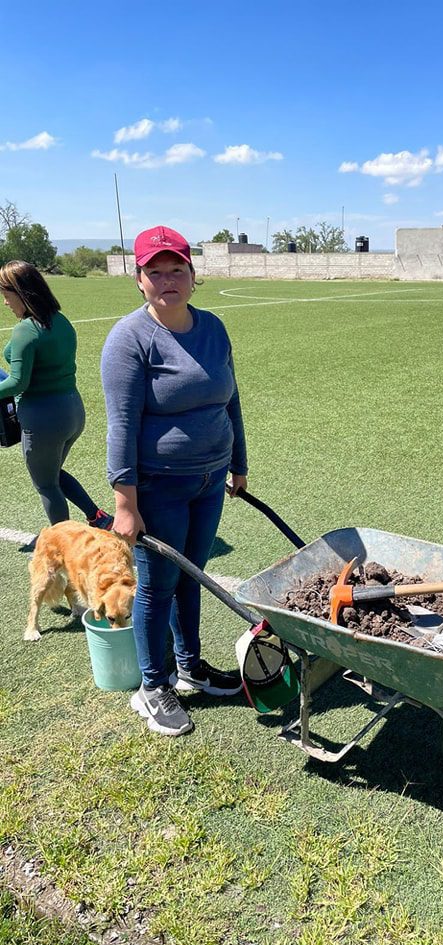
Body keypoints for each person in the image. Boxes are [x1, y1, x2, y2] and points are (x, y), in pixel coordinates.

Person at [101, 226, 248, 737]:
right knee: (157, 586)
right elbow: (121, 423)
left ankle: (190, 666)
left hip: (210, 480)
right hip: (158, 485)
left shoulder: (213, 328)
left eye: (176, 270)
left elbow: (230, 400)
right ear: (139, 279)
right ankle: (152, 685)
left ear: (192, 274)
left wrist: (239, 463)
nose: (167, 280)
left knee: (194, 575)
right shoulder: (129, 339)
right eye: (155, 272)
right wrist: (125, 502)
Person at [0, 261, 113, 537]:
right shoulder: (60, 320)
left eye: (6, 294)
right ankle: (97, 516)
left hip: (43, 419)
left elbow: (18, 383)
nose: (4, 302)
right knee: (51, 473)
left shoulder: (27, 329)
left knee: (46, 485)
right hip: (72, 411)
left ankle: (66, 548)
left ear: (21, 292)